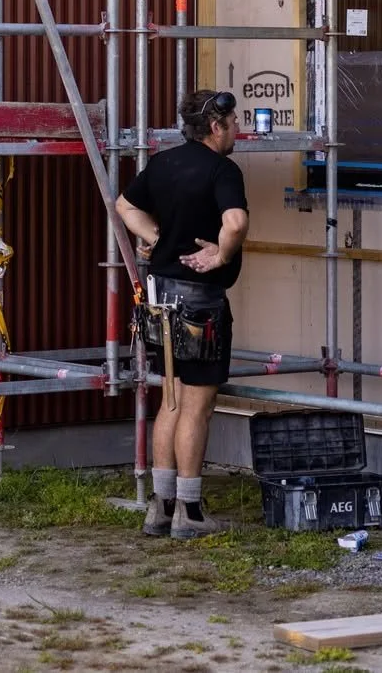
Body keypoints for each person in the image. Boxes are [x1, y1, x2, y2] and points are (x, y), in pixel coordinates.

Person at [117, 88, 249, 540]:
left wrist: (155, 237)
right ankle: (190, 512)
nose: (237, 129)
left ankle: (161, 507)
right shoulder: (222, 170)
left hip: (160, 299)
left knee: (170, 400)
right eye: (234, 122)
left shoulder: (163, 163)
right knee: (197, 406)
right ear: (216, 126)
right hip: (201, 304)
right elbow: (235, 223)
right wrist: (222, 255)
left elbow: (124, 205)